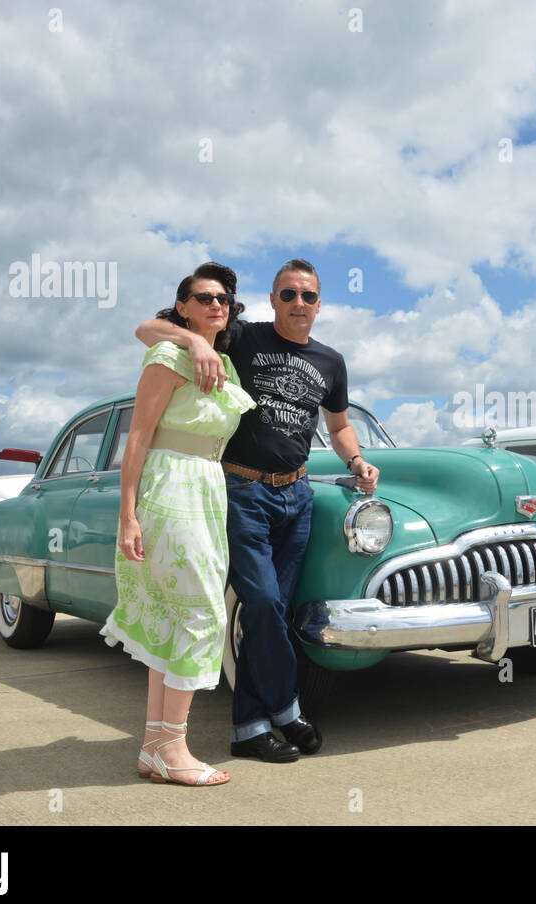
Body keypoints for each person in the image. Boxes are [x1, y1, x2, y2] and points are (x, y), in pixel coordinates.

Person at [136, 258, 379, 763]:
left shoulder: (331, 361)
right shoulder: (244, 337)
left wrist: (356, 459)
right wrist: (196, 341)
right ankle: (287, 707)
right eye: (287, 294)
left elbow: (337, 427)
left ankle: (249, 728)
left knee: (272, 615)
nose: (298, 304)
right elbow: (147, 327)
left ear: (319, 304)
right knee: (263, 604)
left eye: (308, 296)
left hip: (299, 494)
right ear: (272, 300)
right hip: (243, 490)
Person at [101, 262, 254, 786]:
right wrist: (127, 515)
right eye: (204, 297)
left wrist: (205, 347)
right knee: (202, 614)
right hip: (171, 486)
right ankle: (175, 746)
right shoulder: (168, 354)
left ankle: (155, 747)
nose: (217, 304)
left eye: (224, 299)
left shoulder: (225, 363)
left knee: (176, 615)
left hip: (208, 487)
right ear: (183, 306)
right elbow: (138, 438)